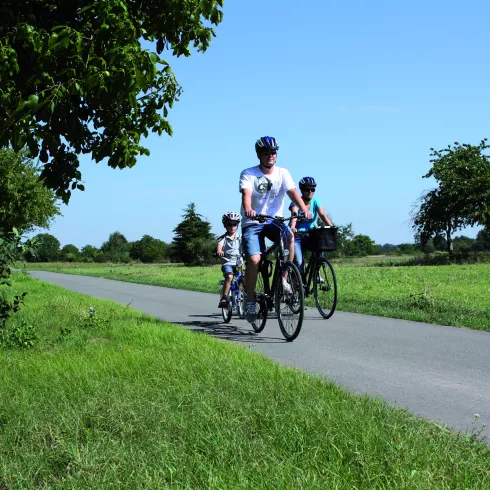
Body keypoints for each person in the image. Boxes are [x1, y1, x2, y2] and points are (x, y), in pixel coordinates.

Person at [239, 136, 312, 324]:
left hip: (274, 221)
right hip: (253, 223)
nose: (270, 156)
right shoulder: (249, 174)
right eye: (266, 153)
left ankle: (285, 278)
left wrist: (304, 209)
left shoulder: (283, 173)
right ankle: (250, 299)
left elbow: (293, 193)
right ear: (259, 155)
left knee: (289, 236)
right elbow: (246, 194)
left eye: (273, 153)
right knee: (255, 259)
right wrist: (249, 209)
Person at [289, 176, 334, 280]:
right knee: (299, 262)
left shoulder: (316, 201)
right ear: (301, 190)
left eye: (312, 189)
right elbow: (294, 215)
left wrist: (332, 228)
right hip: (297, 236)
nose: (310, 192)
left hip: (311, 234)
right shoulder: (296, 201)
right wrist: (292, 227)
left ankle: (316, 273)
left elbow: (323, 215)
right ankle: (297, 281)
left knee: (320, 247)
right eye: (307, 189)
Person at [217, 211, 242, 308]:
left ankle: (241, 295)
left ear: (237, 226)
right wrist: (219, 251)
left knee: (242, 277)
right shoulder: (223, 238)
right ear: (225, 225)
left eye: (234, 224)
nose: (232, 227)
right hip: (228, 263)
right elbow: (219, 246)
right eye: (229, 224)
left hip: (239, 263)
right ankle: (224, 297)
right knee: (230, 277)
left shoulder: (240, 237)